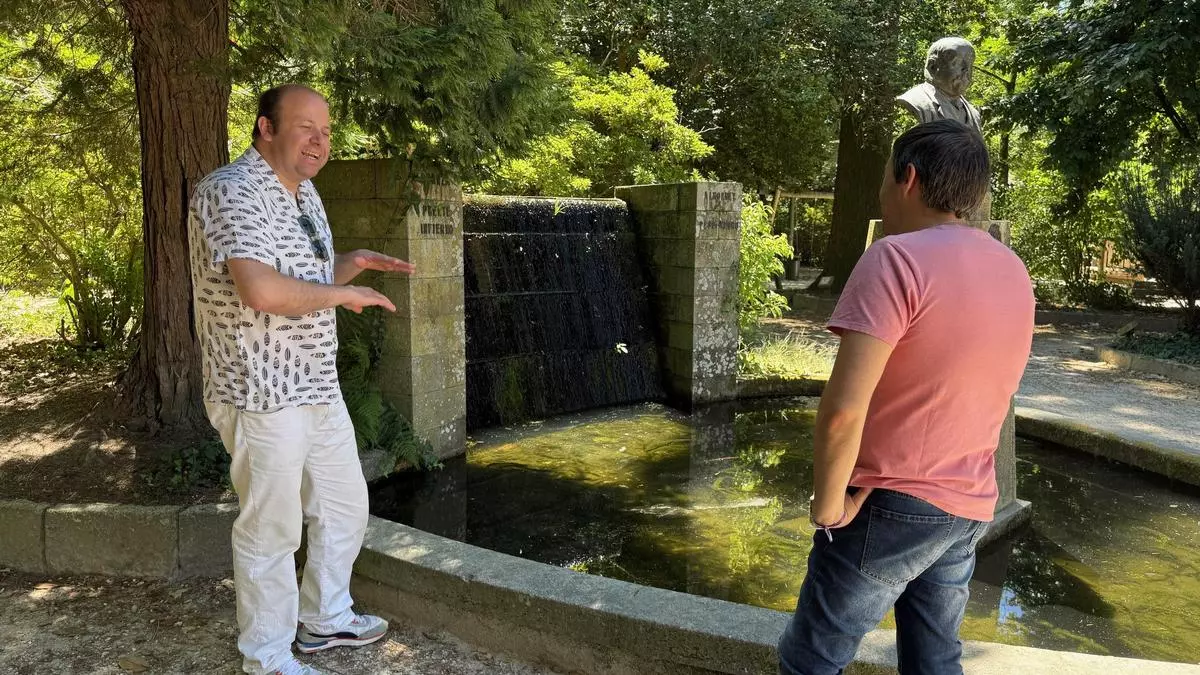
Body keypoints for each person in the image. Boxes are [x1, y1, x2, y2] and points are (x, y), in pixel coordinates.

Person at [777, 119, 1034, 675]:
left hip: (888, 502)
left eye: (883, 179)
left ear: (908, 179)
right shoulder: (1013, 270)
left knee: (809, 660)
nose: (880, 193)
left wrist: (827, 506)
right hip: (967, 506)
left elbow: (843, 410)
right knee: (934, 660)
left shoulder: (894, 258)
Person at [188, 84, 415, 675]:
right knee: (272, 526)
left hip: (315, 383)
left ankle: (325, 617)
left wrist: (349, 265)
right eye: (305, 127)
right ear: (266, 128)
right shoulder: (230, 190)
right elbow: (261, 290)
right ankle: (266, 656)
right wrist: (343, 295)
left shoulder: (305, 192)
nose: (320, 141)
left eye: (327, 131)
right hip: (260, 390)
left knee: (344, 505)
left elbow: (302, 279)